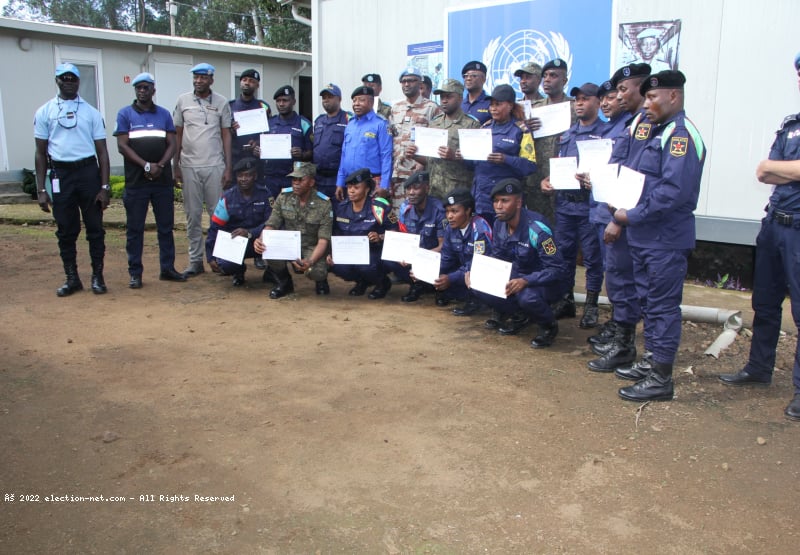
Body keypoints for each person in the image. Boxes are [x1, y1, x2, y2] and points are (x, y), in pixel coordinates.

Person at [611, 70, 706, 402]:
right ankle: (651, 361)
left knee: (663, 306)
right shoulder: (657, 132)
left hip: (664, 239)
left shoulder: (679, 136)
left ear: (673, 97)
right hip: (645, 237)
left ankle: (662, 378)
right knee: (649, 303)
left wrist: (629, 215)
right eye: (646, 97)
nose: (646, 103)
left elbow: (671, 193)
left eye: (652, 97)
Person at [718, 53, 800, 421]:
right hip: (774, 227)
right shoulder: (791, 125)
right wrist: (786, 170)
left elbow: (773, 169)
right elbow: (764, 172)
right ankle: (759, 369)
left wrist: (779, 169)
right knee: (765, 303)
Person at [587, 63, 652, 374]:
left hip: (625, 219)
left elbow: (633, 176)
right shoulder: (637, 123)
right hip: (614, 211)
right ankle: (622, 341)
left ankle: (625, 347)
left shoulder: (647, 125)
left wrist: (617, 219)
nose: (618, 96)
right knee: (617, 280)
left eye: (624, 90)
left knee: (624, 282)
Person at [34, 62, 111, 296]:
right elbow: (40, 153)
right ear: (57, 81)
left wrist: (105, 186)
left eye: (72, 78)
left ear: (78, 82)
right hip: (61, 175)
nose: (68, 82)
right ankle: (72, 278)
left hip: (88, 173)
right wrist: (40, 189)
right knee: (66, 229)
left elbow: (103, 152)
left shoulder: (91, 113)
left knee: (95, 228)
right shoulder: (44, 112)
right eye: (63, 78)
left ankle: (97, 276)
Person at [467, 178, 568, 347]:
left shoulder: (537, 230)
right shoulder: (499, 223)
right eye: (496, 201)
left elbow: (557, 269)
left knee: (527, 297)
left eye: (505, 201)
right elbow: (496, 256)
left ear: (519, 202)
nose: (499, 206)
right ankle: (519, 315)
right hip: (517, 276)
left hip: (544, 282)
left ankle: (548, 325)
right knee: (477, 284)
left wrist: (526, 281)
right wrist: (475, 271)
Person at [540, 83, 604, 328]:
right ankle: (566, 300)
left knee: (592, 259)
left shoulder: (606, 134)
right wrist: (548, 181)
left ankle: (591, 305)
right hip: (565, 206)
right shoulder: (567, 135)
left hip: (589, 207)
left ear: (597, 102)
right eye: (577, 99)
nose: (580, 103)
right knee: (564, 256)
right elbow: (558, 167)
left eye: (586, 99)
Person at [114, 72, 186, 289]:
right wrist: (146, 165)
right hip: (137, 182)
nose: (142, 91)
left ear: (153, 90)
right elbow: (122, 146)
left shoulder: (163, 114)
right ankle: (135, 273)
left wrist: (161, 166)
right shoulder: (125, 114)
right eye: (138, 88)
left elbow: (172, 144)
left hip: (161, 181)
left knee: (165, 227)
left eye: (146, 87)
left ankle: (167, 268)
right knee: (135, 229)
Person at [173, 62, 232, 278]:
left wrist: (228, 167)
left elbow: (226, 134)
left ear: (211, 80)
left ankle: (219, 259)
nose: (198, 81)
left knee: (218, 215)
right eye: (195, 77)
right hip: (189, 166)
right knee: (193, 216)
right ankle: (195, 260)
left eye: (203, 78)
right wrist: (175, 165)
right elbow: (177, 134)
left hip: (215, 165)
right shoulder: (183, 101)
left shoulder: (222, 102)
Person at [254, 161, 333, 298]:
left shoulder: (324, 204)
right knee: (268, 247)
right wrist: (261, 239)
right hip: (289, 244)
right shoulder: (284, 197)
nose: (295, 183)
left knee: (317, 272)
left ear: (311, 182)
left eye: (300, 180)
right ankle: (284, 282)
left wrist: (311, 261)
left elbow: (323, 240)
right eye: (293, 179)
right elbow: (272, 224)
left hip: (312, 246)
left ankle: (321, 280)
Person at [471, 84, 537, 225]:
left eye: (498, 104)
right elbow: (473, 165)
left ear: (510, 106)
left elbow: (530, 166)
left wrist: (506, 159)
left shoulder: (521, 130)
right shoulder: (484, 128)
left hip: (505, 198)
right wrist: (463, 156)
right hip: (481, 197)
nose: (493, 108)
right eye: (491, 105)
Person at [405, 79, 480, 200]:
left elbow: (477, 163)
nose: (444, 100)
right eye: (442, 97)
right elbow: (429, 161)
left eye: (449, 97)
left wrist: (455, 157)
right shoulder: (434, 123)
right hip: (434, 190)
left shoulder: (471, 125)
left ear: (460, 98)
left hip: (458, 191)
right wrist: (414, 155)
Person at [328, 168, 396, 299]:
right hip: (351, 251)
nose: (351, 191)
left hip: (375, 252)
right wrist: (331, 252)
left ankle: (382, 283)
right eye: (349, 187)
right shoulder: (342, 207)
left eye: (356, 187)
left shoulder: (380, 207)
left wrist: (380, 237)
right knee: (336, 265)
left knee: (366, 266)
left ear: (366, 189)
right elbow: (335, 232)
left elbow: (396, 231)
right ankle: (362, 282)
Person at [205, 158, 273, 286]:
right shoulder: (227, 197)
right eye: (240, 175)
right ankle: (239, 270)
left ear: (255, 176)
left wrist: (250, 233)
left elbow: (271, 222)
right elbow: (215, 227)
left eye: (248, 175)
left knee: (278, 235)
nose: (243, 179)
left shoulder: (265, 194)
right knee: (225, 265)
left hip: (259, 240)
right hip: (235, 241)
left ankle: (273, 271)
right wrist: (210, 256)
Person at [526, 58, 577, 223]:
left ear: (564, 80)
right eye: (545, 75)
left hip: (567, 179)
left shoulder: (575, 107)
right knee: (540, 228)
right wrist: (526, 129)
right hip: (537, 179)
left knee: (564, 232)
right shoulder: (533, 108)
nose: (547, 80)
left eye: (553, 76)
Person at [383, 171, 446, 302]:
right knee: (389, 259)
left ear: (427, 188)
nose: (411, 192)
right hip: (415, 256)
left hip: (434, 257)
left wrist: (420, 257)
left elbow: (443, 246)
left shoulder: (439, 210)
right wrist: (401, 253)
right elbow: (402, 236)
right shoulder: (405, 209)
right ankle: (416, 285)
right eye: (408, 188)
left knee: (446, 260)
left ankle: (440, 289)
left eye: (416, 188)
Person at [390, 67, 442, 209]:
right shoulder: (395, 108)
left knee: (417, 215)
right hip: (397, 174)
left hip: (418, 176)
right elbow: (391, 138)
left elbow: (437, 142)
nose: (407, 84)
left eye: (411, 80)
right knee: (398, 216)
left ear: (420, 84)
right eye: (404, 81)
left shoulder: (432, 108)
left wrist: (423, 165)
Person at [436, 188, 493, 314]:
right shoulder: (451, 228)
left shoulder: (480, 229)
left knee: (474, 275)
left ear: (468, 210)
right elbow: (446, 257)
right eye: (447, 211)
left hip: (480, 270)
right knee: (437, 278)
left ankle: (476, 302)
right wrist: (427, 270)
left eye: (455, 211)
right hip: (463, 271)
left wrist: (450, 278)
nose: (449, 216)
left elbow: (478, 263)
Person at [336, 86, 393, 202]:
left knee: (380, 217)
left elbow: (386, 156)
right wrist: (340, 183)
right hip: (351, 184)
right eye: (354, 100)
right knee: (353, 218)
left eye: (361, 100)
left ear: (371, 102)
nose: (356, 104)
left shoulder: (381, 124)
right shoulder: (350, 124)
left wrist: (384, 185)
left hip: (372, 183)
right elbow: (344, 156)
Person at [262, 85, 313, 200]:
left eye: (285, 100)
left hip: (293, 179)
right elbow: (261, 147)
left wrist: (302, 154)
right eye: (278, 101)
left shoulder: (304, 124)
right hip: (271, 178)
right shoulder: (269, 123)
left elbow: (312, 152)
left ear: (293, 101)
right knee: (271, 213)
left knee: (292, 214)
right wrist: (257, 150)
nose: (281, 104)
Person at [229, 68, 272, 174]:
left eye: (252, 81)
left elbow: (270, 132)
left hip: (256, 158)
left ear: (257, 86)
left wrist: (258, 142)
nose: (247, 83)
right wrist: (231, 129)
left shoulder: (263, 106)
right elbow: (222, 133)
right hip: (235, 157)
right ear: (240, 83)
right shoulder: (229, 106)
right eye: (244, 80)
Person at [313, 83, 350, 199]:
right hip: (319, 179)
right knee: (320, 214)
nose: (326, 100)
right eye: (324, 98)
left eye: (330, 97)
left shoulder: (348, 119)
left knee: (340, 214)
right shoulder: (319, 121)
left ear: (339, 99)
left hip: (338, 178)